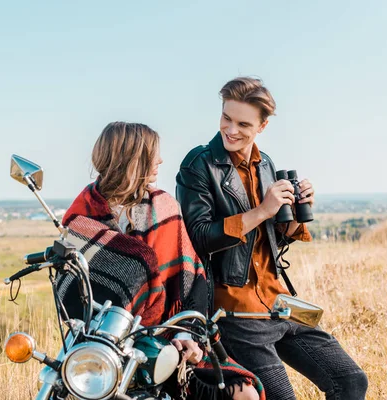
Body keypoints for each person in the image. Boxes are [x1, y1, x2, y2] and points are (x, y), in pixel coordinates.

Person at [175, 77, 368, 399]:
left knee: (350, 381)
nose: (231, 130)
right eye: (226, 118)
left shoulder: (266, 165)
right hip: (236, 311)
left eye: (243, 124)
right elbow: (199, 238)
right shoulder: (199, 164)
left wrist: (296, 211)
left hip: (279, 303)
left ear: (262, 126)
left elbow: (270, 241)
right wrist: (263, 210)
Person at [59, 121, 263, 400]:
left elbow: (193, 279)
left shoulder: (163, 207)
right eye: (153, 154)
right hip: (103, 347)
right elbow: (69, 288)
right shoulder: (83, 218)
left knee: (245, 394)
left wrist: (188, 333)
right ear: (131, 160)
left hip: (169, 341)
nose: (160, 160)